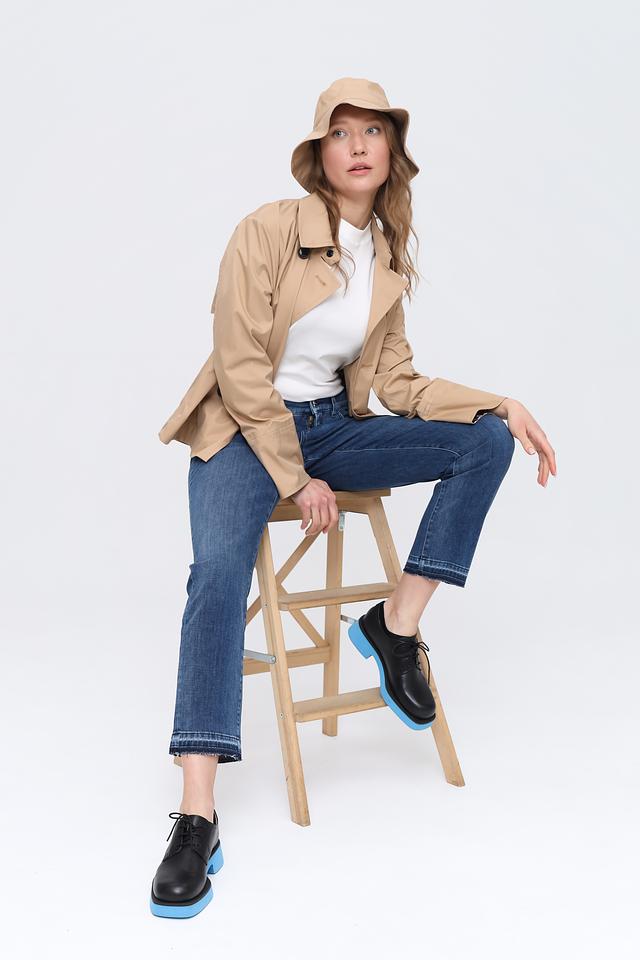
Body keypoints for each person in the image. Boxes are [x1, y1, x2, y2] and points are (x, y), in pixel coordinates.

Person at [150, 77, 557, 918]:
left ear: (391, 152)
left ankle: (393, 625)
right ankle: (196, 814)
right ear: (320, 153)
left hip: (332, 427)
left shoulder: (386, 259)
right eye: (342, 132)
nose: (359, 145)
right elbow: (241, 365)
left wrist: (499, 401)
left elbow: (397, 385)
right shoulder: (267, 230)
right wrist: (295, 478)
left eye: (374, 131)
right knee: (216, 579)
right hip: (242, 431)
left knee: (484, 442)